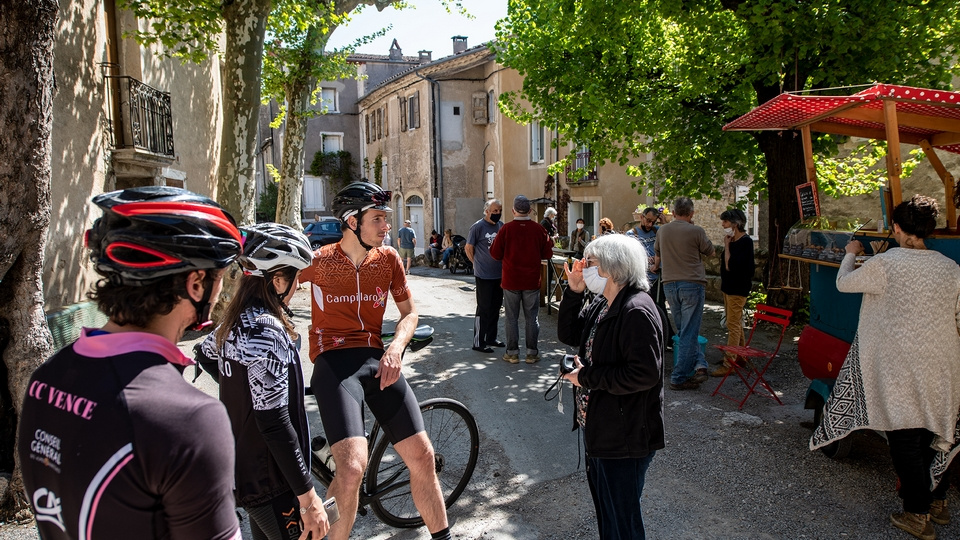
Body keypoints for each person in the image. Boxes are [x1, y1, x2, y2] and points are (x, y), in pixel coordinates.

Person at [17, 186, 243, 540]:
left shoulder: (46, 379)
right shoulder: (189, 420)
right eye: (222, 276)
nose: (222, 290)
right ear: (196, 283)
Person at [301, 182, 451, 540]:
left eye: (386, 219)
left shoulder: (388, 260)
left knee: (423, 456)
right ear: (352, 222)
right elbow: (274, 287)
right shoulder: (319, 262)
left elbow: (409, 314)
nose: (387, 227)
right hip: (333, 363)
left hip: (375, 358)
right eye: (379, 219)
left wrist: (396, 348)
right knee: (351, 469)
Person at [811, 195, 960, 540]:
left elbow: (844, 283)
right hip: (943, 363)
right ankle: (936, 502)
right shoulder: (950, 268)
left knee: (905, 436)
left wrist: (851, 252)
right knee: (935, 432)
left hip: (900, 365)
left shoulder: (887, 264)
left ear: (895, 227)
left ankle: (917, 514)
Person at [197, 223, 329, 540]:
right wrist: (308, 497)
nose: (298, 286)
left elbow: (204, 354)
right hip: (273, 480)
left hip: (249, 472)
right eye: (295, 276)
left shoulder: (236, 319)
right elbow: (273, 422)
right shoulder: (265, 329)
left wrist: (242, 393)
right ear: (278, 280)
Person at [557, 234, 665, 540]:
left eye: (590, 262)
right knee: (609, 514)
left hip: (624, 437)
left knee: (623, 521)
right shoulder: (605, 303)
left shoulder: (636, 310)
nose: (583, 266)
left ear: (612, 268)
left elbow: (644, 374)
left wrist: (587, 377)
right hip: (603, 431)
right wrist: (575, 291)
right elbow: (569, 332)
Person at [654, 196, 715, 390]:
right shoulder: (696, 230)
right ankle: (679, 376)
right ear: (692, 213)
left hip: (669, 283)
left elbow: (657, 256)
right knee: (689, 330)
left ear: (673, 213)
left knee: (684, 329)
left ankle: (700, 365)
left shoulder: (662, 231)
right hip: (692, 283)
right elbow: (711, 251)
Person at [490, 195, 554, 364]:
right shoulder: (539, 229)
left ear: (513, 211)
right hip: (531, 280)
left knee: (511, 317)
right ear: (530, 211)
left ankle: (512, 353)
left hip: (511, 279)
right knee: (532, 317)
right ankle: (532, 353)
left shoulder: (506, 229)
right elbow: (548, 253)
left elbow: (495, 254)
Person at [712, 209, 756, 377]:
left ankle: (729, 361)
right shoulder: (734, 240)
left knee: (732, 324)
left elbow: (731, 266)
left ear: (735, 224)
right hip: (729, 287)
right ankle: (741, 356)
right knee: (735, 322)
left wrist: (727, 246)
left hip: (737, 289)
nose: (723, 225)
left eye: (726, 222)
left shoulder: (745, 242)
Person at [626, 207, 675, 347]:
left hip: (658, 279)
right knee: (647, 310)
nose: (649, 225)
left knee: (660, 309)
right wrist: (649, 260)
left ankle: (666, 339)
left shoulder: (657, 230)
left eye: (653, 222)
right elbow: (632, 257)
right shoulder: (632, 234)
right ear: (641, 217)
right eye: (648, 221)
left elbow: (671, 235)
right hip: (642, 279)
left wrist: (664, 221)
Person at [466, 199, 505, 353]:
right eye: (494, 211)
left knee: (496, 306)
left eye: (499, 210)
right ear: (487, 211)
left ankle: (491, 338)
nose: (497, 213)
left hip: (499, 274)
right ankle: (478, 342)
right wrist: (476, 263)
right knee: (483, 308)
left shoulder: (501, 226)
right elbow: (469, 247)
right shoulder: (477, 227)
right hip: (484, 274)